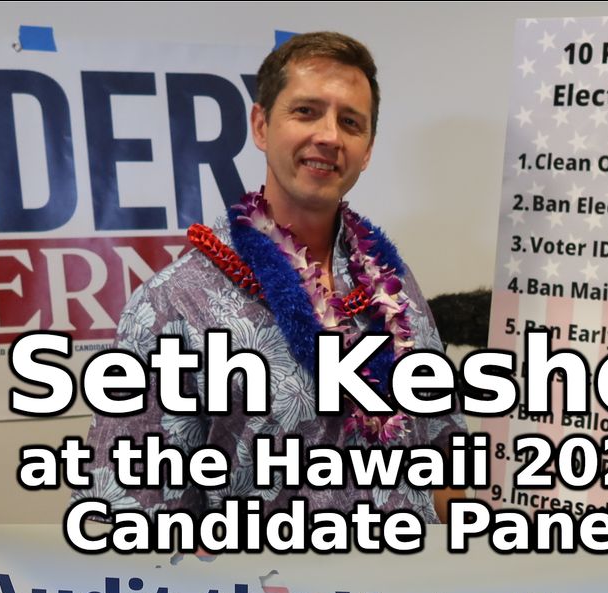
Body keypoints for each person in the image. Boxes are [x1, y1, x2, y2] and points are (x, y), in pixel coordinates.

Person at [74, 32, 465, 523]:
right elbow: (131, 515)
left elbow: (442, 445)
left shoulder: (394, 282)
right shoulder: (174, 303)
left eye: (350, 122)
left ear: (366, 150)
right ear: (261, 125)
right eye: (306, 112)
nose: (329, 136)